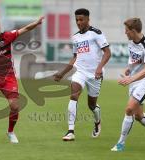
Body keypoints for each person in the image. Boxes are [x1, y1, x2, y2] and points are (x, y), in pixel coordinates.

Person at [53, 8, 111, 141]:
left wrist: (99, 68)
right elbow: (75, 57)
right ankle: (70, 131)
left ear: (87, 19)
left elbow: (107, 53)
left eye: (81, 19)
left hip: (95, 74)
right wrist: (62, 73)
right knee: (74, 95)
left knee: (92, 105)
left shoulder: (96, 33)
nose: (79, 22)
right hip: (80, 72)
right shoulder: (75, 37)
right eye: (77, 20)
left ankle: (97, 122)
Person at [111, 18, 145, 151]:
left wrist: (131, 79)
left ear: (133, 31)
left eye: (126, 30)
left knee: (129, 109)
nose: (125, 32)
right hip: (134, 79)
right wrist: (128, 69)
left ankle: (120, 144)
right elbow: (134, 59)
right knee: (139, 116)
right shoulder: (131, 42)